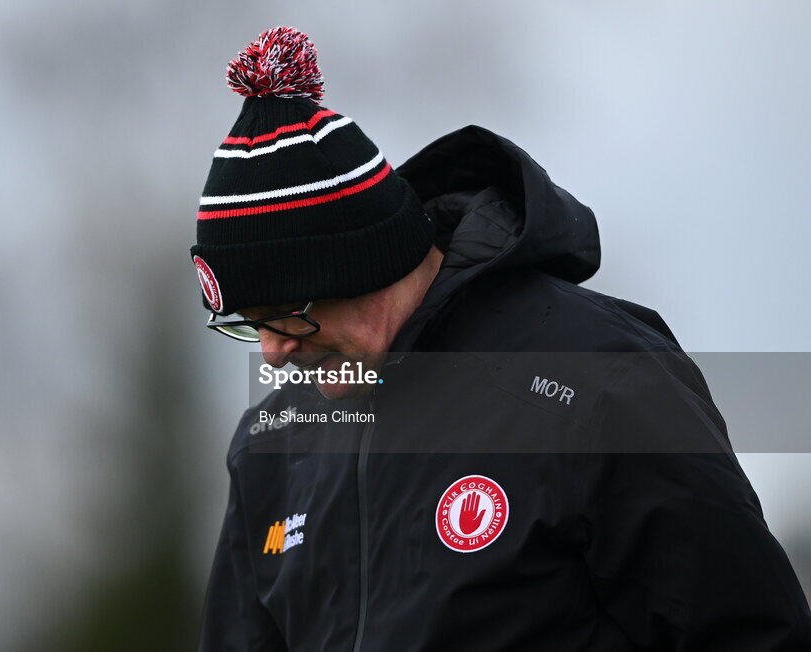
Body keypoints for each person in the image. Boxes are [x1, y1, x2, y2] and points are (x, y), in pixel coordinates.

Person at [191, 27, 811, 651]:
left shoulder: (600, 381)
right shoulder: (270, 443)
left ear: (363, 264)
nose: (273, 352)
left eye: (286, 314)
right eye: (248, 322)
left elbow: (751, 633)